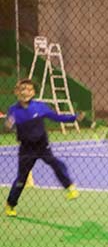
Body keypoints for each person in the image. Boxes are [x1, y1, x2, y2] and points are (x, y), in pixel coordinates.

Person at [4, 78, 85, 217]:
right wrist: (8, 125)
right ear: (17, 92)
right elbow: (7, 126)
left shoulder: (40, 107)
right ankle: (10, 205)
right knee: (21, 179)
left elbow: (57, 117)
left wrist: (74, 118)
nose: (26, 92)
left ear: (34, 92)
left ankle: (70, 187)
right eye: (23, 89)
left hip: (42, 145)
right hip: (26, 149)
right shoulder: (13, 110)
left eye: (29, 89)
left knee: (56, 164)